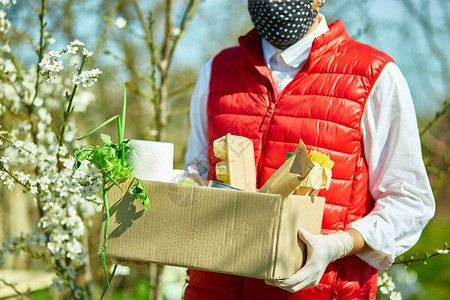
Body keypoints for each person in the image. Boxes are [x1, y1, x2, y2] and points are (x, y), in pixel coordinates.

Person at [183, 0, 435, 299]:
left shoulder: (372, 75)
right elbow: (196, 175)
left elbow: (409, 201)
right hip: (212, 291)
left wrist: (340, 244)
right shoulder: (217, 71)